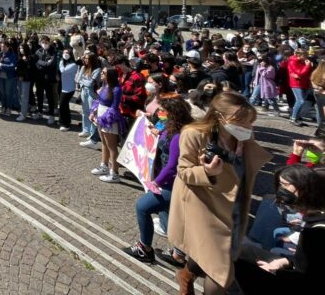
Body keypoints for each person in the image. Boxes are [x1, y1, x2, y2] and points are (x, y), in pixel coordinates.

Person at [168, 91, 271, 295]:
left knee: (208, 253)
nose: (248, 128)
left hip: (234, 204)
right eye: (242, 123)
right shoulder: (194, 133)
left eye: (250, 122)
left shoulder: (244, 137)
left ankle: (187, 274)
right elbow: (183, 171)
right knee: (221, 270)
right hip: (204, 207)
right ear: (219, 116)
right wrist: (206, 171)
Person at [125, 94, 194, 263]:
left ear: (173, 112)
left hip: (173, 185)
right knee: (170, 214)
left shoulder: (179, 136)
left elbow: (172, 166)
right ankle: (178, 253)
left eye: (162, 110)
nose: (159, 113)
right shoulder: (169, 127)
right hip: (166, 181)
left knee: (142, 206)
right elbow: (160, 133)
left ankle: (144, 248)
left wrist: (156, 182)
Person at [234, 165, 325, 290]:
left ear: (305, 188)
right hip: (291, 264)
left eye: (285, 185)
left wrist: (276, 270)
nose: (281, 190)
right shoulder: (315, 215)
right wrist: (285, 261)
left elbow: (307, 278)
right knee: (240, 249)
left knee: (236, 263)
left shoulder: (316, 232)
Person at [89, 67, 125, 182]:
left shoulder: (116, 89)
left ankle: (114, 173)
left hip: (109, 119)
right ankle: (104, 166)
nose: (101, 75)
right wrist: (93, 112)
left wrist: (104, 119)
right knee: (104, 143)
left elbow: (114, 108)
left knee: (112, 147)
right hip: (100, 117)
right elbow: (99, 100)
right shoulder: (105, 86)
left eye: (103, 73)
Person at [34, 35, 58, 124]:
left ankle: (51, 115)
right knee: (39, 96)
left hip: (49, 78)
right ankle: (39, 112)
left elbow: (50, 64)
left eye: (46, 42)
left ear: (49, 42)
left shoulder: (53, 52)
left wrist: (40, 62)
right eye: (42, 42)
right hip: (39, 78)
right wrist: (43, 63)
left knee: (49, 97)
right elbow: (35, 63)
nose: (44, 44)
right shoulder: (38, 51)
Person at [288, 48, 314, 127]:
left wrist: (310, 66)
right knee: (300, 101)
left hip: (304, 83)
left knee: (301, 101)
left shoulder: (303, 61)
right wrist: (307, 66)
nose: (307, 56)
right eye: (305, 55)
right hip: (297, 84)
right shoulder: (293, 61)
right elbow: (300, 73)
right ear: (299, 55)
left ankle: (297, 117)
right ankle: (293, 118)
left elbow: (307, 73)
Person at [0, 40, 18, 116]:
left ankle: (8, 108)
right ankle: (3, 107)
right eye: (1, 46)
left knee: (8, 93)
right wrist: (0, 66)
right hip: (0, 77)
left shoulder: (12, 55)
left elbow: (12, 66)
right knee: (2, 93)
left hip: (9, 77)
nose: (2, 48)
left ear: (8, 47)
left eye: (4, 46)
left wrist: (2, 66)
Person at [58, 49, 78, 132]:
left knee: (62, 105)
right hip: (63, 87)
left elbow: (63, 70)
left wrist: (60, 62)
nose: (65, 54)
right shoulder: (64, 63)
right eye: (64, 52)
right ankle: (64, 121)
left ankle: (66, 124)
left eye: (67, 53)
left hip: (69, 88)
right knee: (64, 106)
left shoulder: (73, 65)